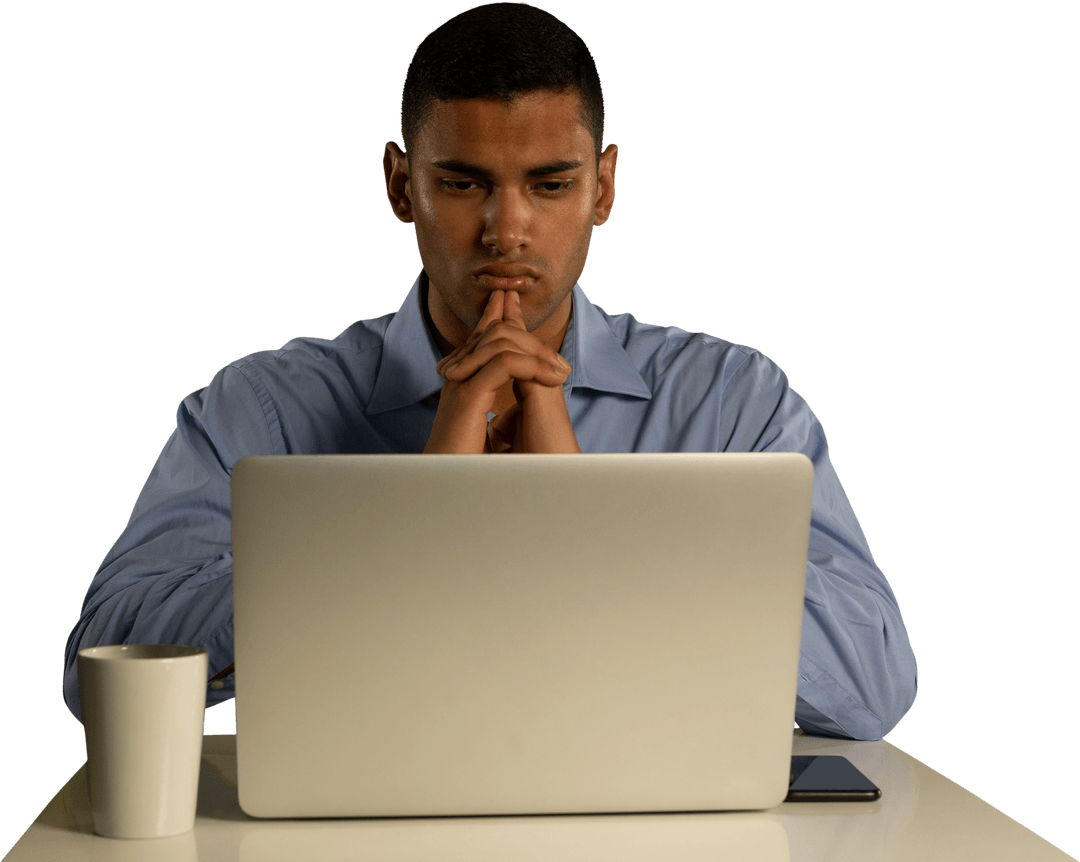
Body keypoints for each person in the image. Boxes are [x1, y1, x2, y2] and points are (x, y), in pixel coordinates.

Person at [63, 2, 917, 741]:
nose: (507, 231)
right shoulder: (265, 406)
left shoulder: (731, 400)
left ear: (603, 189)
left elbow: (875, 679)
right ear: (401, 186)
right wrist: (410, 525)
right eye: (464, 184)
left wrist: (592, 521)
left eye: (549, 185)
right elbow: (97, 662)